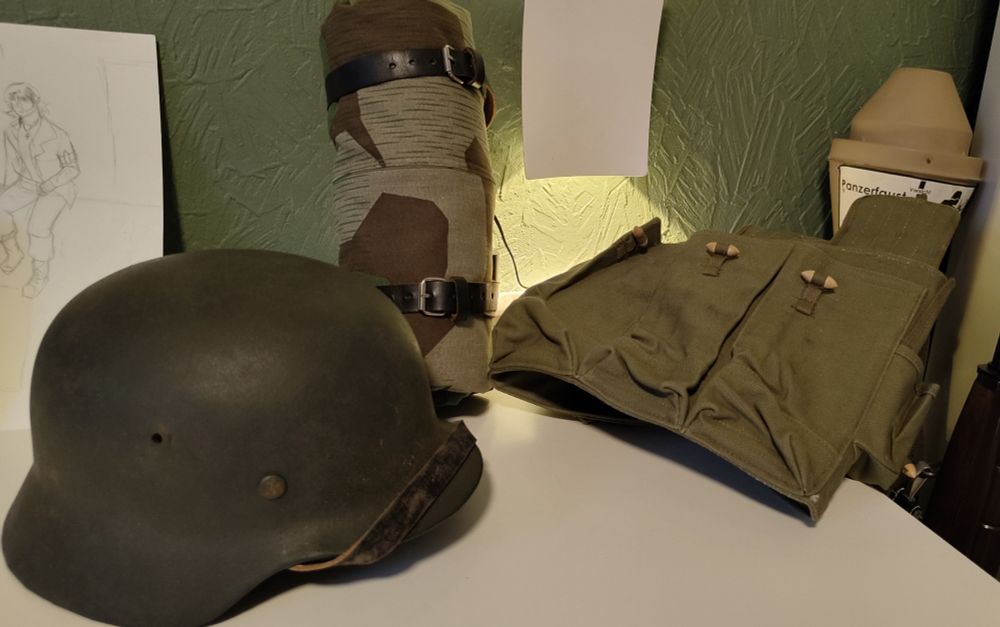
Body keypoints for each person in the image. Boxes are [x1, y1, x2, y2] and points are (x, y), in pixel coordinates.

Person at [0, 82, 79, 298]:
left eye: (24, 99)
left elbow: (72, 169)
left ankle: (39, 276)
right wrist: (4, 188)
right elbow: (8, 165)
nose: (19, 104)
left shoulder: (57, 134)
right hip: (26, 184)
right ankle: (14, 253)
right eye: (14, 100)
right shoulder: (11, 132)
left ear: (35, 102)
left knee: (38, 227)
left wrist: (51, 183)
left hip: (56, 188)